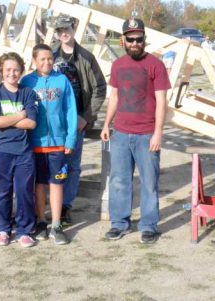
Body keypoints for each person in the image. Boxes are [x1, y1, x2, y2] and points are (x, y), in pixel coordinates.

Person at [101, 18, 171, 244]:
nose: (135, 43)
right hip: (121, 132)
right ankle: (119, 223)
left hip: (146, 134)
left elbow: (162, 102)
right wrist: (106, 124)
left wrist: (158, 132)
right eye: (130, 39)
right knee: (119, 180)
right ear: (123, 40)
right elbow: (114, 96)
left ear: (144, 40)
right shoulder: (118, 65)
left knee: (149, 182)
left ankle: (149, 225)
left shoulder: (155, 65)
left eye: (139, 39)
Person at [52, 16, 107, 224]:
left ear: (74, 28)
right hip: (53, 122)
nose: (63, 33)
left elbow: (100, 87)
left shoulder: (86, 57)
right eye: (59, 30)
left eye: (66, 28)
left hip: (76, 121)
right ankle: (48, 205)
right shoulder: (50, 55)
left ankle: (65, 206)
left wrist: (86, 117)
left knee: (72, 165)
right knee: (52, 163)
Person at [21, 44, 78, 245]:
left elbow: (71, 111)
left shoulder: (62, 81)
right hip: (34, 144)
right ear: (34, 60)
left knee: (56, 183)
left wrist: (70, 139)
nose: (46, 62)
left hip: (57, 144)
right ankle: (41, 221)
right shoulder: (27, 81)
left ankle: (56, 224)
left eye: (50, 59)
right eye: (42, 59)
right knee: (39, 184)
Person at [0, 52, 39, 248]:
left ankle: (24, 230)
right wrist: (20, 114)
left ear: (21, 71)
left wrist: (9, 120)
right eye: (8, 69)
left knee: (24, 191)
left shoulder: (27, 93)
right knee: (1, 191)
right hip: (1, 150)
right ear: (1, 71)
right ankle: (3, 228)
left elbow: (31, 123)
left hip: (23, 151)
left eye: (16, 69)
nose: (12, 73)